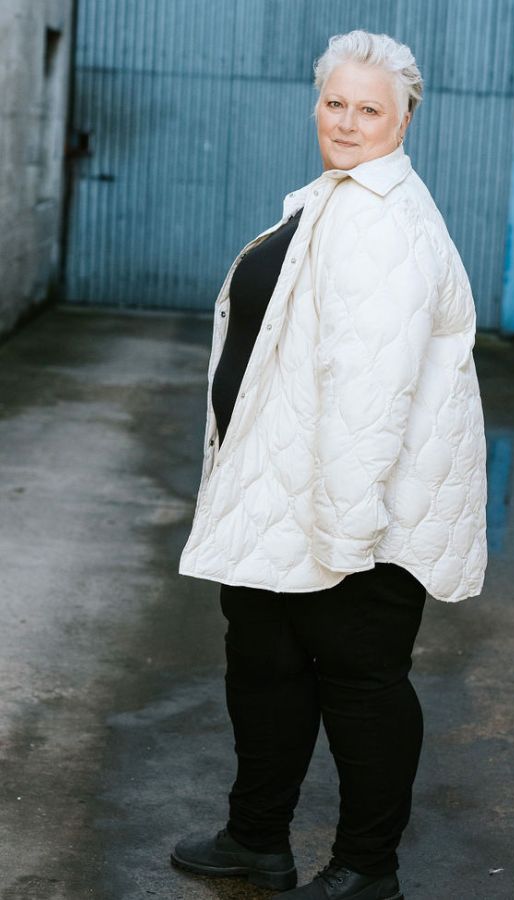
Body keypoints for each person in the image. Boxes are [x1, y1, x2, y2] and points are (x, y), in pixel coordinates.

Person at [170, 29, 487, 900]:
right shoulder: (331, 197)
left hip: (352, 517)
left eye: (369, 110)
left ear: (403, 120)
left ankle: (367, 871)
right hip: (282, 492)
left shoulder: (382, 223)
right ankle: (256, 839)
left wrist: (347, 542)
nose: (347, 122)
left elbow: (370, 396)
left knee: (360, 685)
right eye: (335, 103)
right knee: (263, 668)